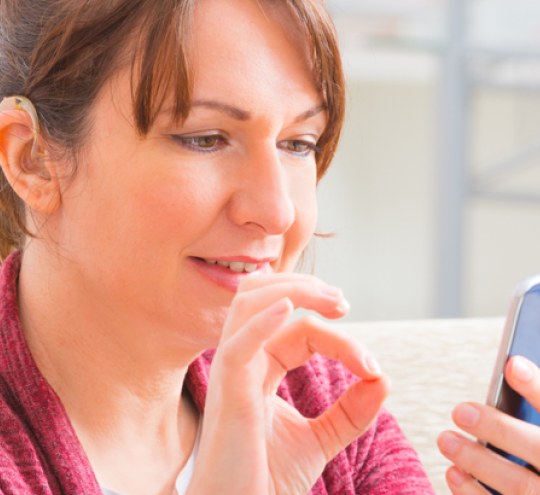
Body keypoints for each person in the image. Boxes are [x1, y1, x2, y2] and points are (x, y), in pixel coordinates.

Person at [0, 1, 533, 495]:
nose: (279, 211)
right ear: (34, 160)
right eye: (204, 138)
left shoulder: (317, 403)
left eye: (298, 143)